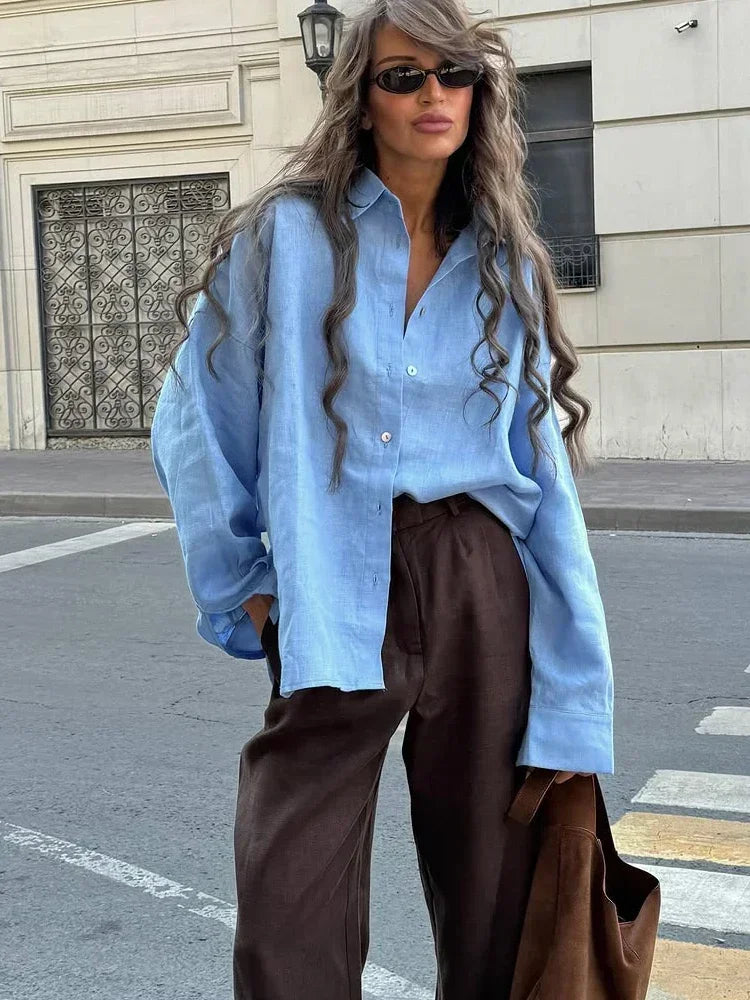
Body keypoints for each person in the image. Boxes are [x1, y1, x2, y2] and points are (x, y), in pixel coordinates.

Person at [150, 1, 614, 997]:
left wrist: (576, 691)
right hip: (334, 569)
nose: (433, 96)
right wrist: (247, 585)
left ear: (478, 92)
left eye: (453, 74)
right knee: (291, 894)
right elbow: (193, 417)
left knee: (494, 893)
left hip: (481, 575)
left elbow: (546, 483)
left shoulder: (505, 262)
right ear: (362, 100)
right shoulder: (289, 234)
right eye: (404, 77)